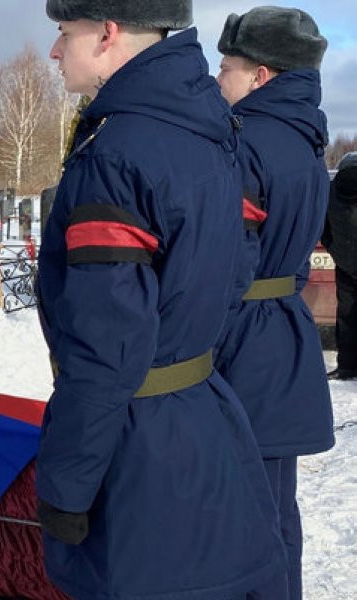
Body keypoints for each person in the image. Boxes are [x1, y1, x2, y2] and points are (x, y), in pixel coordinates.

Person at [37, 1, 284, 598]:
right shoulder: (206, 128)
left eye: (65, 33)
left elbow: (107, 347)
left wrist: (66, 487)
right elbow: (234, 276)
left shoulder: (117, 152)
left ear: (108, 33)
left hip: (139, 455)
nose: (54, 50)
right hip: (206, 421)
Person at [212, 8, 334, 598]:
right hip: (283, 332)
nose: (218, 79)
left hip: (240, 343)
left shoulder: (246, 144)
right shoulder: (306, 139)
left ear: (260, 75)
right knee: (276, 505)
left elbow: (224, 261)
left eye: (226, 67)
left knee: (237, 513)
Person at [324, 153, 357, 380]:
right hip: (345, 261)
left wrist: (335, 251)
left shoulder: (331, 192)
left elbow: (323, 228)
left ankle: (346, 367)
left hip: (345, 263)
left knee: (346, 317)